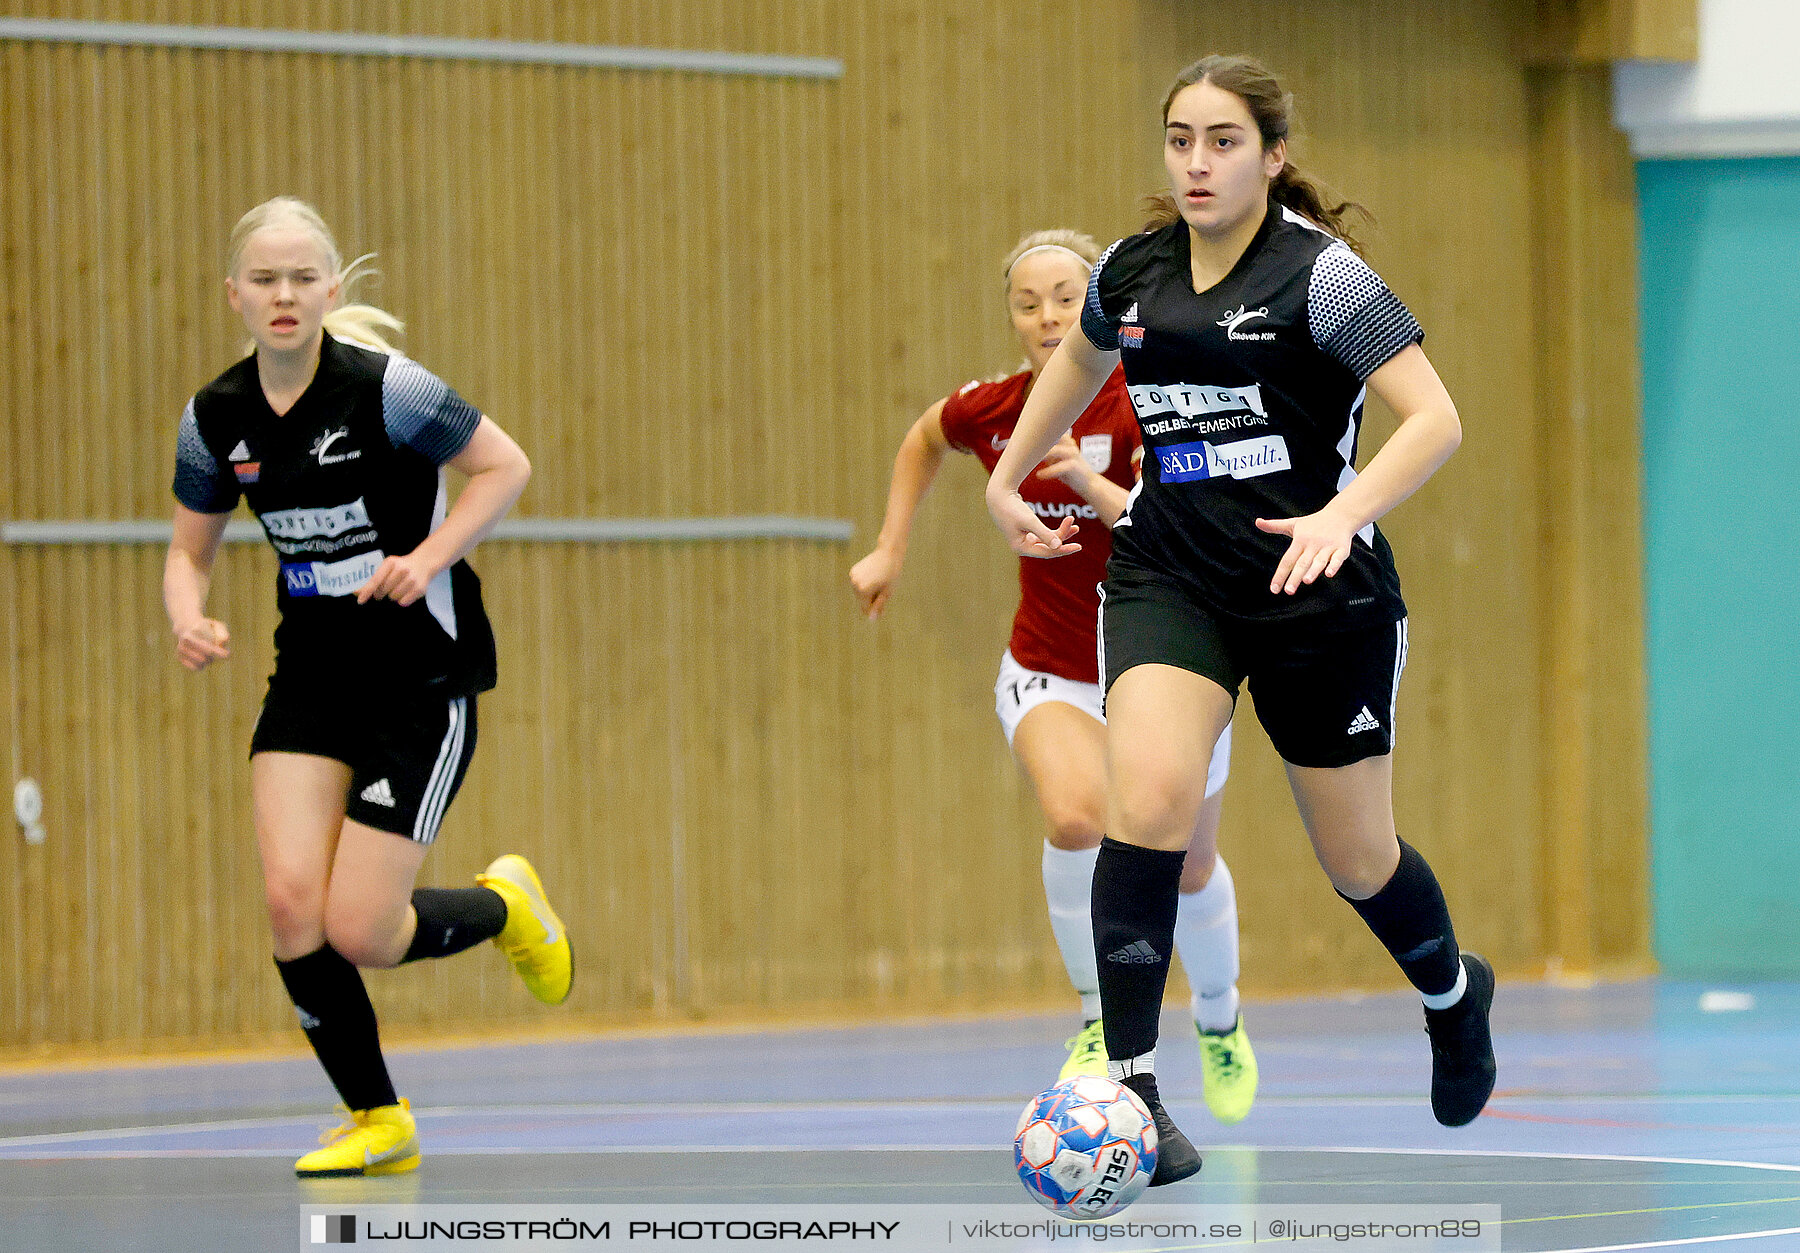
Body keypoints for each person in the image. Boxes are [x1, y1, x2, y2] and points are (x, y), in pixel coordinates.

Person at [985, 56, 1496, 1186]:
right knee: (1150, 799)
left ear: (1270, 155)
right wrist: (1009, 476)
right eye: (1180, 140)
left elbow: (1434, 418)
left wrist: (1342, 511)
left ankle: (1453, 996)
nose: (1198, 162)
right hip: (1173, 573)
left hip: (1321, 590)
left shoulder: (1324, 279)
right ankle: (1136, 1087)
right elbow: (1074, 367)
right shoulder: (1132, 269)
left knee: (1358, 857)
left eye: (1222, 141)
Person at [163, 196, 572, 1177]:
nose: (285, 294)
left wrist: (426, 556)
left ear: (332, 289)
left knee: (362, 929)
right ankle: (378, 1117)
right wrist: (188, 610)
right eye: (265, 278)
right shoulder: (216, 417)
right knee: (292, 903)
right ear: (235, 296)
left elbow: (503, 466)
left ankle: (506, 908)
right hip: (309, 675)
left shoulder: (390, 390)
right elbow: (190, 551)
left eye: (304, 276)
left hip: (418, 679)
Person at [851, 230, 1256, 1124]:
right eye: (1028, 303)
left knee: (1185, 867)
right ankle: (1095, 1015)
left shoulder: (1154, 403)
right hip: (1052, 667)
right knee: (1077, 816)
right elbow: (924, 440)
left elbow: (1176, 524)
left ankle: (1220, 1019)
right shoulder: (999, 410)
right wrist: (888, 548)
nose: (1047, 318)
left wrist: (1086, 479)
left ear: (1101, 303)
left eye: (1066, 298)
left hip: (1170, 670)